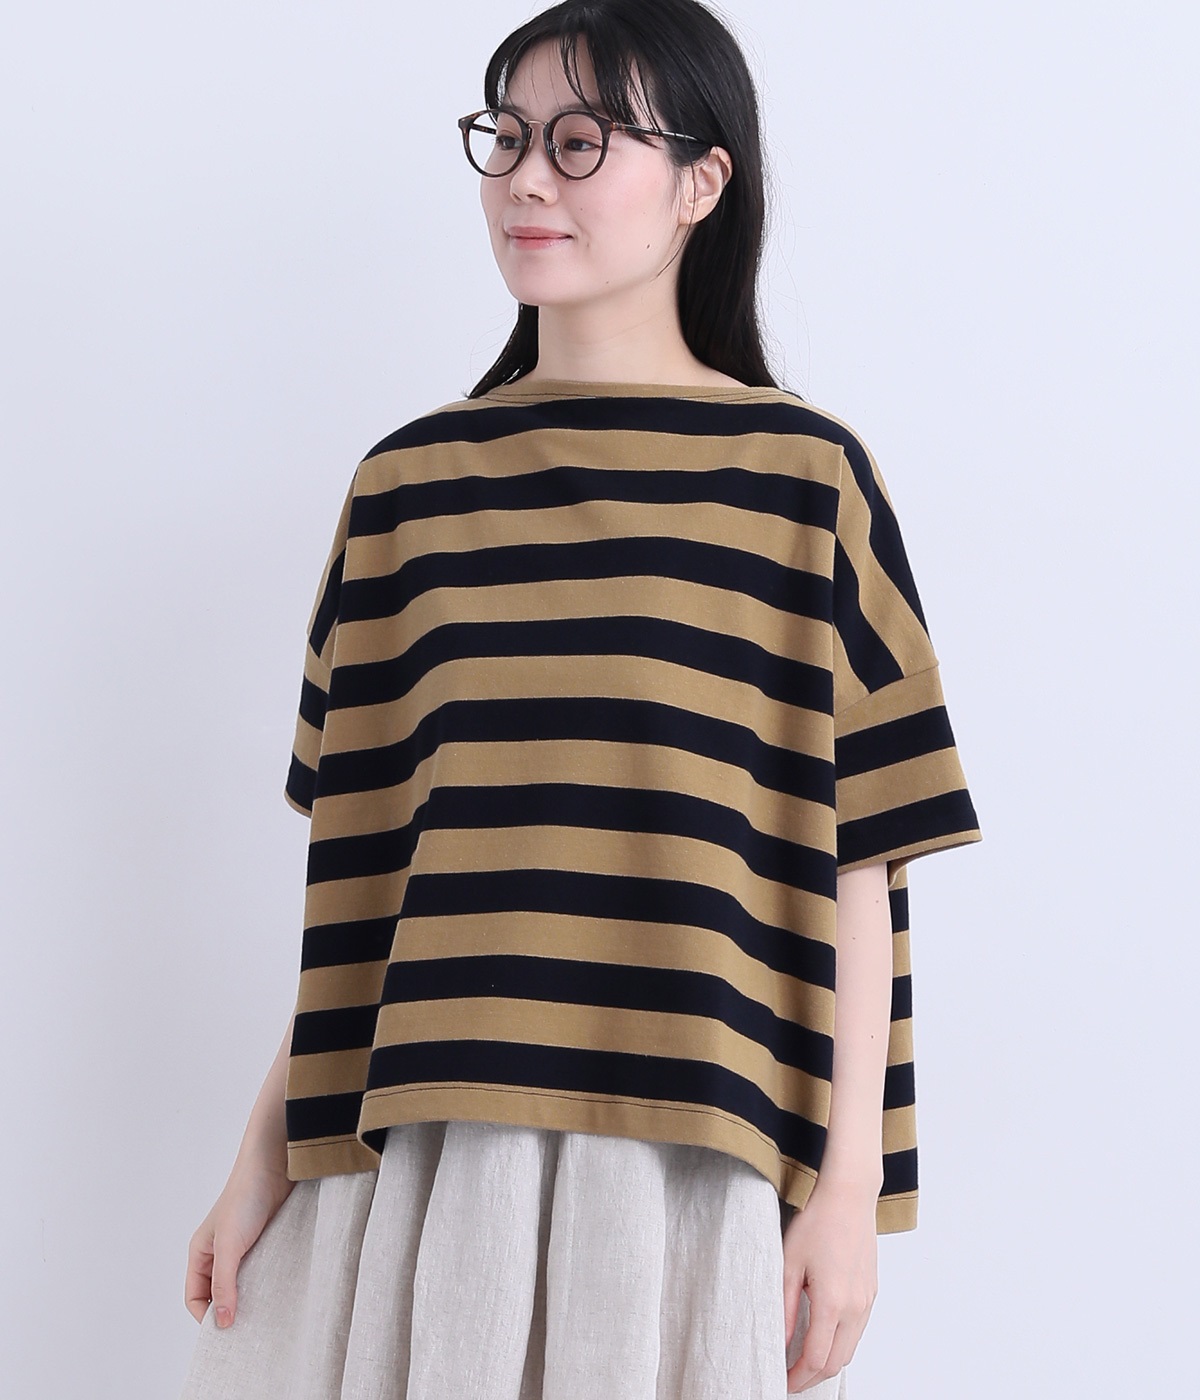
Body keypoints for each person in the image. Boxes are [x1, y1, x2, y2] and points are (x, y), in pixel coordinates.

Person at [179, 2, 981, 1397]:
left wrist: (849, 1192)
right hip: (429, 1152)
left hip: (690, 1157)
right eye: (506, 138)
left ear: (701, 184)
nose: (526, 179)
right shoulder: (406, 492)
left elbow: (862, 857)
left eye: (581, 141)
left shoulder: (803, 482)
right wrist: (262, 1157)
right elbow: (370, 879)